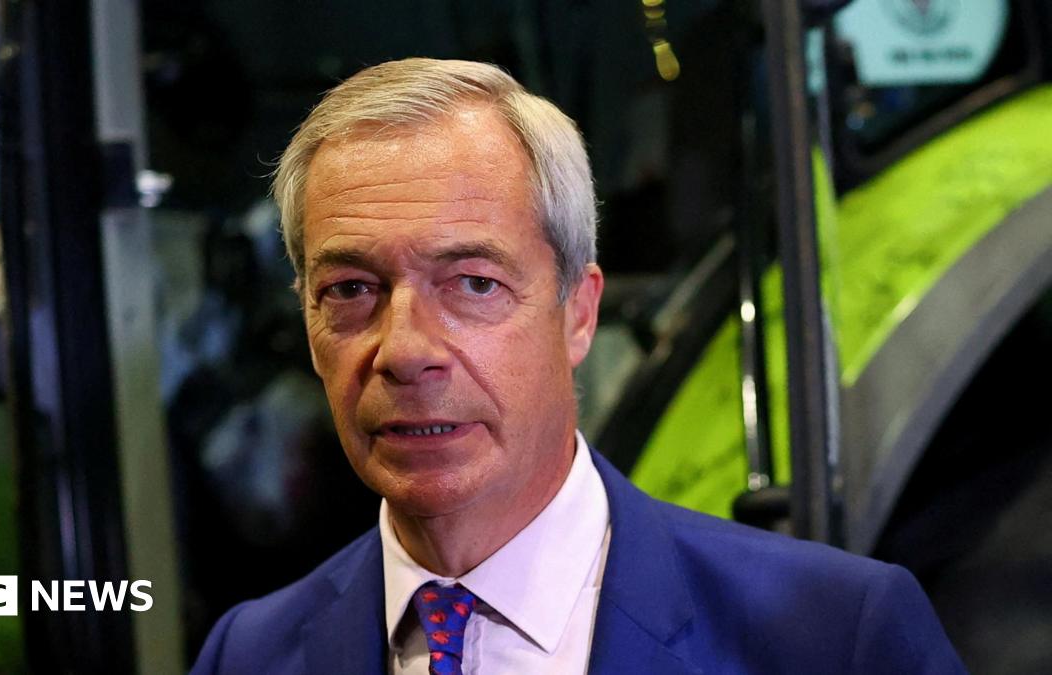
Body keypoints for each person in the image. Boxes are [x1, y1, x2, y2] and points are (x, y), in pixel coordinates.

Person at [192, 58, 965, 675]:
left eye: (473, 283)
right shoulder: (249, 653)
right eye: (351, 289)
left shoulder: (834, 638)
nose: (404, 350)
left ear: (578, 312)